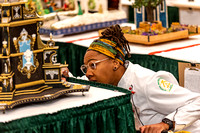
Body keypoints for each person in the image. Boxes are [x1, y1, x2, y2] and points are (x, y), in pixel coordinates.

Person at [62, 24, 200, 133]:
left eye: (93, 65)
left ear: (115, 63)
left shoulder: (147, 82)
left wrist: (166, 124)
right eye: (85, 68)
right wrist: (66, 77)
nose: (88, 73)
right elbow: (81, 83)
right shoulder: (102, 81)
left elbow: (196, 102)